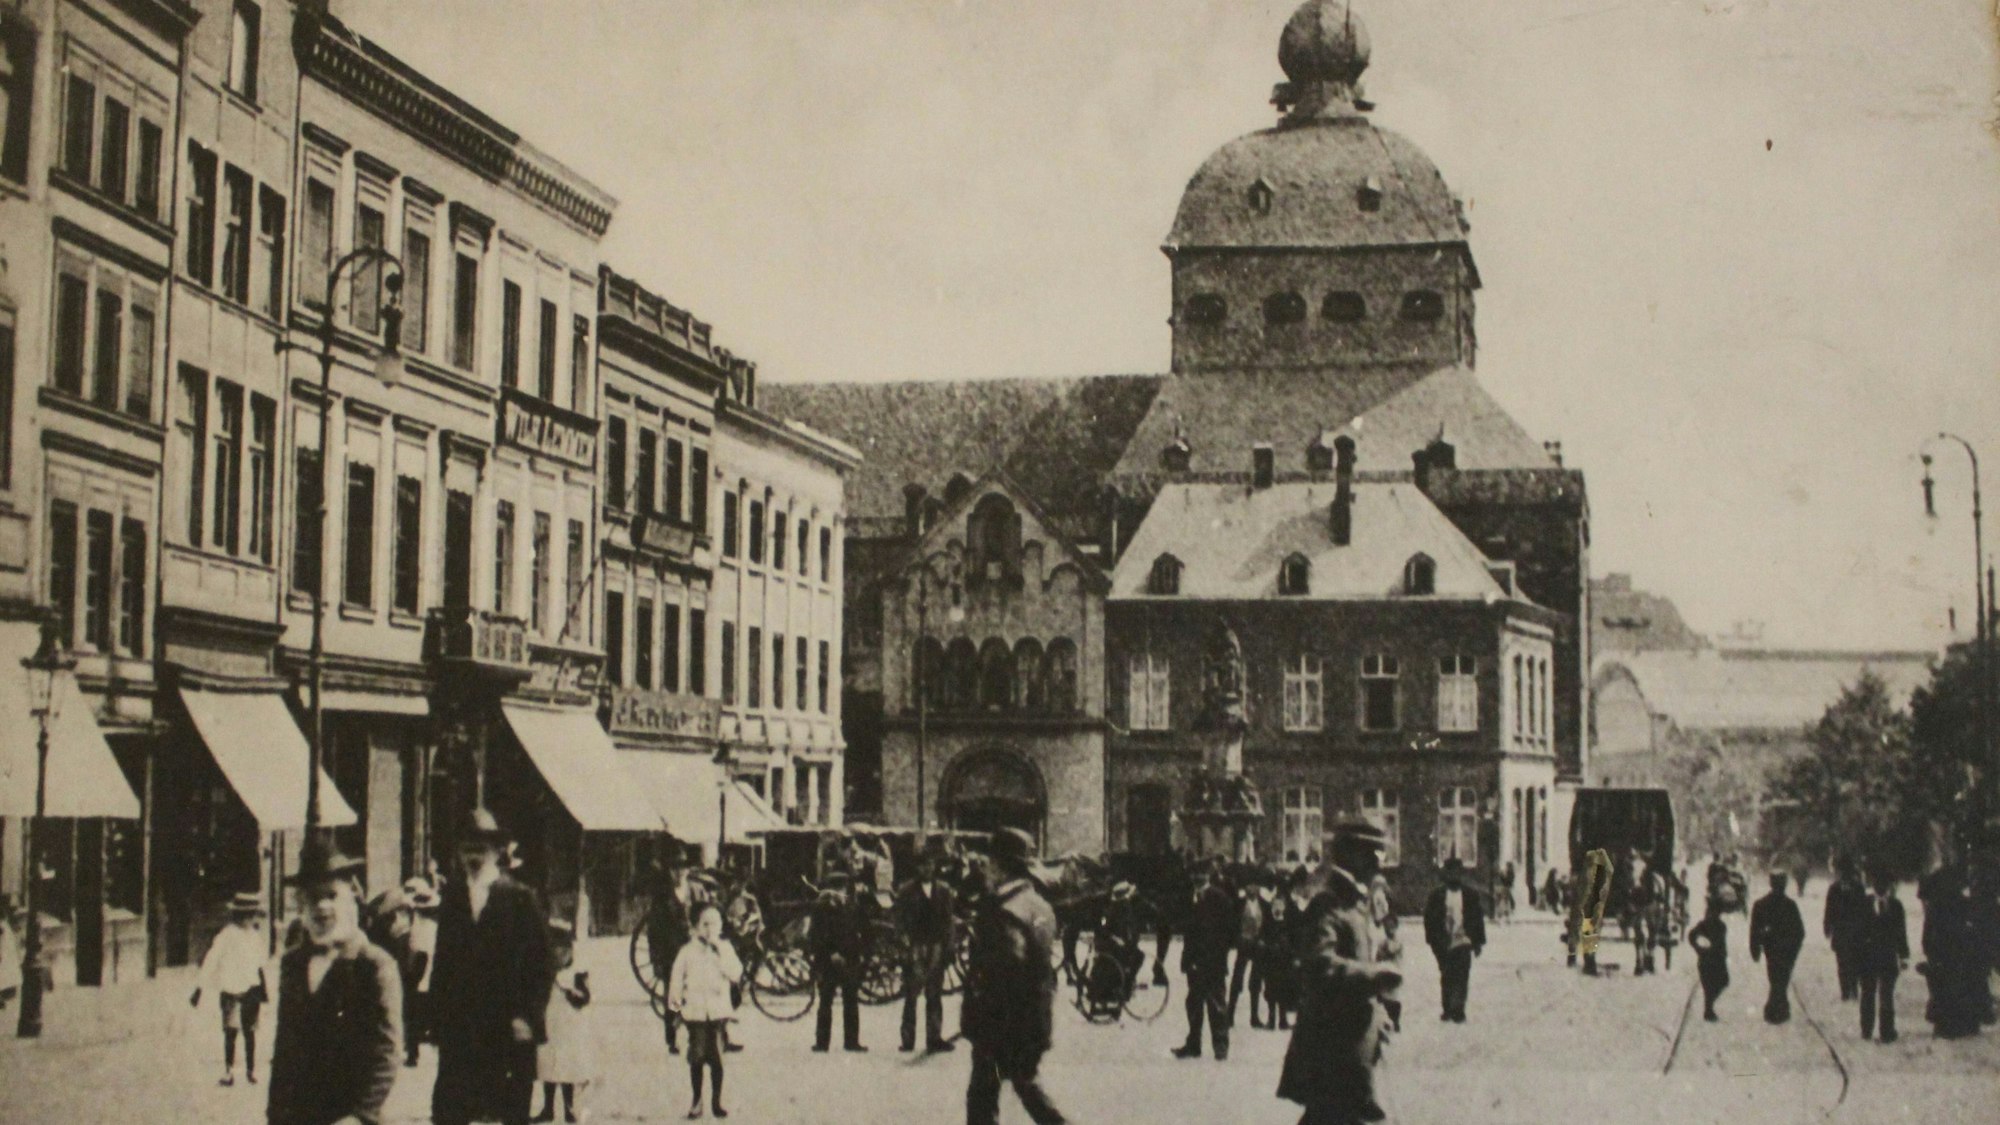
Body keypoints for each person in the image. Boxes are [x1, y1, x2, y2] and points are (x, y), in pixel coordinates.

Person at [431, 809, 554, 1125]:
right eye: (467, 847)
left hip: (508, 1029)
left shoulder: (519, 898)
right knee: (449, 1112)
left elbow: (542, 963)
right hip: (462, 1031)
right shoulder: (453, 898)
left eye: (481, 847)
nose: (473, 855)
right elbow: (442, 963)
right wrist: (435, 1019)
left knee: (510, 1112)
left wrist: (528, 1016)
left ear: (497, 851)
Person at [264, 847, 402, 1125]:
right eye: (314, 898)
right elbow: (285, 1049)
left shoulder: (373, 964)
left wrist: (360, 1116)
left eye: (332, 896)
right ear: (301, 906)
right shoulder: (293, 963)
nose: (323, 907)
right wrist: (276, 1114)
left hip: (355, 1116)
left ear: (351, 899)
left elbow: (386, 1054)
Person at [1278, 821, 1401, 1125]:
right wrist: (1374, 977)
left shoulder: (1353, 902)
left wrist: (1378, 1017)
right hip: (1332, 1053)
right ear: (1352, 854)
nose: (1379, 863)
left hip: (1348, 1052)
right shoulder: (1329, 903)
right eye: (1373, 853)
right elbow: (1320, 966)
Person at [962, 826, 1067, 1125]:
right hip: (1032, 1020)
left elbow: (1007, 969)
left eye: (990, 863)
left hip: (1001, 1026)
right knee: (1026, 1088)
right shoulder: (1039, 905)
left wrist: (980, 1012)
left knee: (983, 1100)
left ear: (999, 865)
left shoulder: (1003, 911)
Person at [669, 903, 742, 1120]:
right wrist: (676, 1010)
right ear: (695, 927)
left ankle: (717, 1101)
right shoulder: (687, 952)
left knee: (718, 1058)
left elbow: (736, 973)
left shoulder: (725, 949)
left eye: (715, 923)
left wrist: (722, 958)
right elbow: (675, 982)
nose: (710, 929)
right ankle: (696, 1100)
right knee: (697, 1057)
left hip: (718, 1012)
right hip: (695, 1013)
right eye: (705, 924)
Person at [191, 891, 271, 1087]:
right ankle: (229, 1071)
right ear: (239, 916)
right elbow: (211, 961)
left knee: (250, 1031)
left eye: (253, 915)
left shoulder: (254, 936)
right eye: (248, 915)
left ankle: (250, 1071)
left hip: (252, 988)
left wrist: (263, 988)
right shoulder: (226, 936)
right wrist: (199, 988)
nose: (251, 919)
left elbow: (260, 963)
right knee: (231, 1031)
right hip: (231, 989)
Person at [1172, 859, 1236, 1061]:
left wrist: (1218, 956)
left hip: (1213, 961)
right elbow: (1189, 933)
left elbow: (1227, 933)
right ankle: (1194, 1045)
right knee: (1194, 1003)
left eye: (1200, 875)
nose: (1196, 879)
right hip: (1195, 961)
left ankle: (1220, 1046)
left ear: (1207, 876)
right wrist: (1187, 959)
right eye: (1194, 876)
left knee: (1217, 1004)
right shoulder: (1190, 898)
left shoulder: (1220, 899)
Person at [533, 920, 595, 1124]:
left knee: (566, 1068)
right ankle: (548, 1107)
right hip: (550, 1022)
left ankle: (569, 1108)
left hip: (568, 1026)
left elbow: (585, 997)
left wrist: (572, 992)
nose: (558, 955)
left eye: (562, 949)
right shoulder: (544, 971)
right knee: (547, 1065)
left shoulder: (576, 972)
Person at [897, 854, 958, 1054]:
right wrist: (903, 944)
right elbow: (899, 920)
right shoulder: (906, 891)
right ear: (918, 867)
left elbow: (949, 921)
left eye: (930, 863)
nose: (927, 868)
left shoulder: (943, 891)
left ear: (934, 866)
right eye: (923, 864)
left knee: (934, 993)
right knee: (911, 994)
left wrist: (949, 947)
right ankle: (908, 1039)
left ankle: (934, 1037)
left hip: (936, 946)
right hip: (915, 945)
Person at [1918, 863, 1981, 1039]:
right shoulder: (1962, 904)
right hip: (1954, 952)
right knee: (1956, 988)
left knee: (1943, 989)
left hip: (1946, 952)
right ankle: (1957, 1024)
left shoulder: (1938, 906)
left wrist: (1929, 949)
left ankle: (1946, 1024)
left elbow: (1928, 932)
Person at [1422, 857, 1486, 1024]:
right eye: (1451, 872)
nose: (1454, 876)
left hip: (1463, 940)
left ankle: (1459, 1009)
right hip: (1444, 941)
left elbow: (1477, 919)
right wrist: (1432, 940)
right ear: (1446, 874)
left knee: (1462, 975)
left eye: (1458, 872)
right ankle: (1447, 1008)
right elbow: (1429, 919)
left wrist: (1478, 942)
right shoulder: (1437, 895)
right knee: (1447, 974)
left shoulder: (1470, 895)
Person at [809, 872, 866, 1053]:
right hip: (828, 961)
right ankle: (822, 1042)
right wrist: (830, 952)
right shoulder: (820, 907)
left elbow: (863, 929)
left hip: (850, 958)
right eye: (836, 887)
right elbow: (816, 934)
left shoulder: (852, 905)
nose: (839, 891)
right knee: (826, 1000)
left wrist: (861, 952)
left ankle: (851, 1041)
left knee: (851, 1000)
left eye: (842, 887)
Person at [647, 860, 693, 1055]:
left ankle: (695, 1037)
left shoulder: (693, 891)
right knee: (673, 996)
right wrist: (656, 958)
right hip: (670, 953)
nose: (679, 873)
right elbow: (653, 929)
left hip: (692, 951)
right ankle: (672, 1039)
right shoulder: (662, 896)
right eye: (675, 869)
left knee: (694, 993)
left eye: (683, 868)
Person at [1856, 866, 1907, 1043]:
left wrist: (1904, 955)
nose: (1881, 887)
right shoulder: (1863, 904)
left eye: (1885, 884)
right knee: (1868, 994)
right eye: (1878, 883)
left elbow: (1901, 933)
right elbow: (1857, 933)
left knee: (1887, 995)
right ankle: (1866, 1029)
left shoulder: (1896, 906)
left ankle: (1887, 1030)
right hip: (1867, 957)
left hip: (1888, 957)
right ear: (1873, 884)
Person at [1749, 872, 1805, 1024]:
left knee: (1776, 977)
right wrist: (1794, 949)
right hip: (1784, 950)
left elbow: (1754, 931)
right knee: (1780, 978)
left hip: (1773, 949)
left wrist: (1755, 949)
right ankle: (1778, 1009)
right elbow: (1800, 932)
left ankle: (1775, 1009)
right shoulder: (1789, 905)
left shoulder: (1761, 904)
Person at [404, 878, 440, 1067]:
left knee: (414, 1014)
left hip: (421, 972)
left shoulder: (419, 927)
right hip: (427, 974)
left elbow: (419, 953)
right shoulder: (432, 926)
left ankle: (413, 1052)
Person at [1227, 871, 1267, 1029]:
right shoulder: (1238, 903)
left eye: (1255, 886)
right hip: (1243, 944)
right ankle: (1229, 1015)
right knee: (1237, 979)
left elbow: (1267, 925)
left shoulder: (1264, 904)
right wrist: (1236, 940)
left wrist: (1262, 939)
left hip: (1257, 945)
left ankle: (1254, 1016)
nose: (1252, 889)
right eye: (1249, 886)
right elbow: (1232, 924)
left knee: (1256, 981)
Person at [1824, 856, 1866, 1001]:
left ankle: (1853, 988)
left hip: (1855, 931)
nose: (1843, 875)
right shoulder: (1834, 889)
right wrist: (1827, 926)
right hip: (1841, 931)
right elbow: (1829, 910)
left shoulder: (1858, 888)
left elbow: (1864, 910)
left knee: (1854, 961)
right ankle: (1845, 990)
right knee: (1842, 962)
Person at [1368, 871, 1402, 1033]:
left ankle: (1391, 1017)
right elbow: (1380, 913)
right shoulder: (1378, 896)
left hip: (1379, 931)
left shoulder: (1375, 895)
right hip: (1378, 929)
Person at [1688, 898, 1729, 1022]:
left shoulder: (1719, 925)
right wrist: (1699, 948)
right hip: (1710, 959)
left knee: (1720, 982)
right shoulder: (1706, 925)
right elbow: (1691, 936)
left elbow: (1692, 936)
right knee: (1713, 984)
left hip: (1712, 959)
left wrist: (1699, 948)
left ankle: (1708, 1007)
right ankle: (1708, 1009)